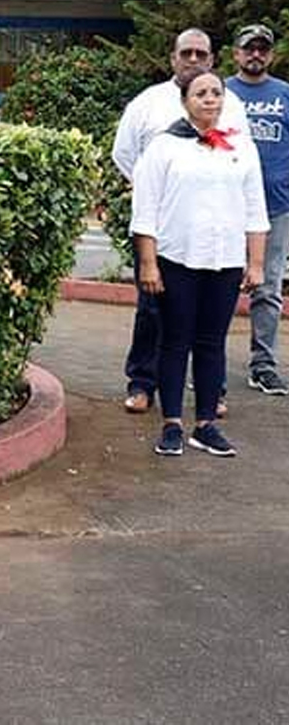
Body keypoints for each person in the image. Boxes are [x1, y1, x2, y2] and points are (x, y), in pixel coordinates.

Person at [113, 27, 250, 414]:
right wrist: (157, 194)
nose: (193, 60)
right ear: (173, 58)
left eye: (200, 54)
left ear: (212, 59)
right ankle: (142, 383)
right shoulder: (148, 103)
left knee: (210, 319)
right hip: (160, 232)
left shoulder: (232, 105)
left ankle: (212, 392)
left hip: (214, 234)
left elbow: (243, 160)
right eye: (186, 53)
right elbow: (125, 154)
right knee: (152, 310)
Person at [131, 69, 267, 457]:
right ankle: (172, 423)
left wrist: (255, 263)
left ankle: (205, 424)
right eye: (201, 93)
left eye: (216, 93)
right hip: (177, 260)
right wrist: (148, 264)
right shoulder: (164, 146)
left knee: (212, 343)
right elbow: (146, 210)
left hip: (223, 262)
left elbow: (256, 210)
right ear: (185, 100)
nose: (210, 99)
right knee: (174, 341)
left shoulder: (240, 147)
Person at [225, 23, 289, 395]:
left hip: (277, 209)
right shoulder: (222, 93)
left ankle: (263, 365)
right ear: (235, 53)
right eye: (249, 48)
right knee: (215, 287)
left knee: (267, 287)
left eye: (263, 49)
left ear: (271, 54)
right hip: (227, 206)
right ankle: (206, 365)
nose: (256, 55)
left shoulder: (284, 94)